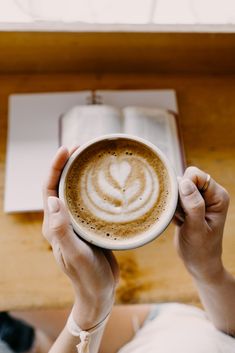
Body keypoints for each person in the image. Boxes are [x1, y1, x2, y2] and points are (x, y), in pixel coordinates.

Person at [41, 146, 235, 353]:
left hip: (131, 334)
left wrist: (93, 303)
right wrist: (207, 268)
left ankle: (29, 341)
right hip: (162, 322)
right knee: (29, 313)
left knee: (23, 308)